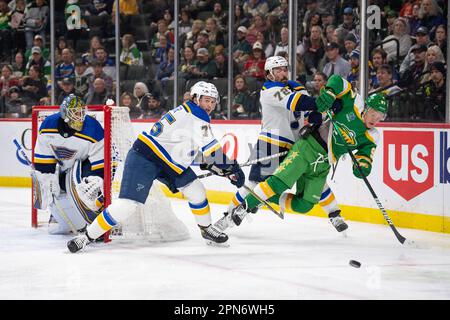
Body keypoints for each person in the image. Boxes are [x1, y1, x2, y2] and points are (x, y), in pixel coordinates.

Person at [67, 82, 246, 252]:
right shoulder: (197, 116)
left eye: (213, 101)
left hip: (167, 161)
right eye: (206, 100)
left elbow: (182, 146)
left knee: (196, 190)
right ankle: (87, 237)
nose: (210, 105)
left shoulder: (187, 111)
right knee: (127, 205)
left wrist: (212, 165)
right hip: (145, 157)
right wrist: (232, 169)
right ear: (195, 98)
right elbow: (214, 152)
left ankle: (206, 229)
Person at [217, 77, 388, 233]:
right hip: (308, 147)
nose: (375, 120)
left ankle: (266, 198)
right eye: (374, 114)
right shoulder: (355, 103)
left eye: (380, 118)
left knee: (305, 205)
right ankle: (244, 207)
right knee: (277, 182)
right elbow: (338, 80)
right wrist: (330, 91)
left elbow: (365, 156)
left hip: (324, 162)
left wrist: (363, 166)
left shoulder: (373, 135)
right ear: (367, 108)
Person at [222, 56, 347, 233]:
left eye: (284, 69)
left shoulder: (294, 88)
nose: (282, 73)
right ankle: (228, 214)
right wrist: (326, 101)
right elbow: (307, 103)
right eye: (278, 70)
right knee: (254, 183)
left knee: (316, 178)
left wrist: (329, 111)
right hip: (271, 143)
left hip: (296, 145)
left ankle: (334, 214)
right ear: (269, 74)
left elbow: (311, 115)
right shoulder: (270, 90)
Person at [32, 94, 106, 235]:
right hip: (62, 167)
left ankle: (96, 218)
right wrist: (44, 178)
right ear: (65, 113)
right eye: (75, 113)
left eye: (82, 112)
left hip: (85, 164)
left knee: (88, 187)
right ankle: (55, 213)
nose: (80, 117)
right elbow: (44, 160)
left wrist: (95, 179)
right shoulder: (48, 125)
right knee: (48, 184)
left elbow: (100, 165)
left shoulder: (93, 128)